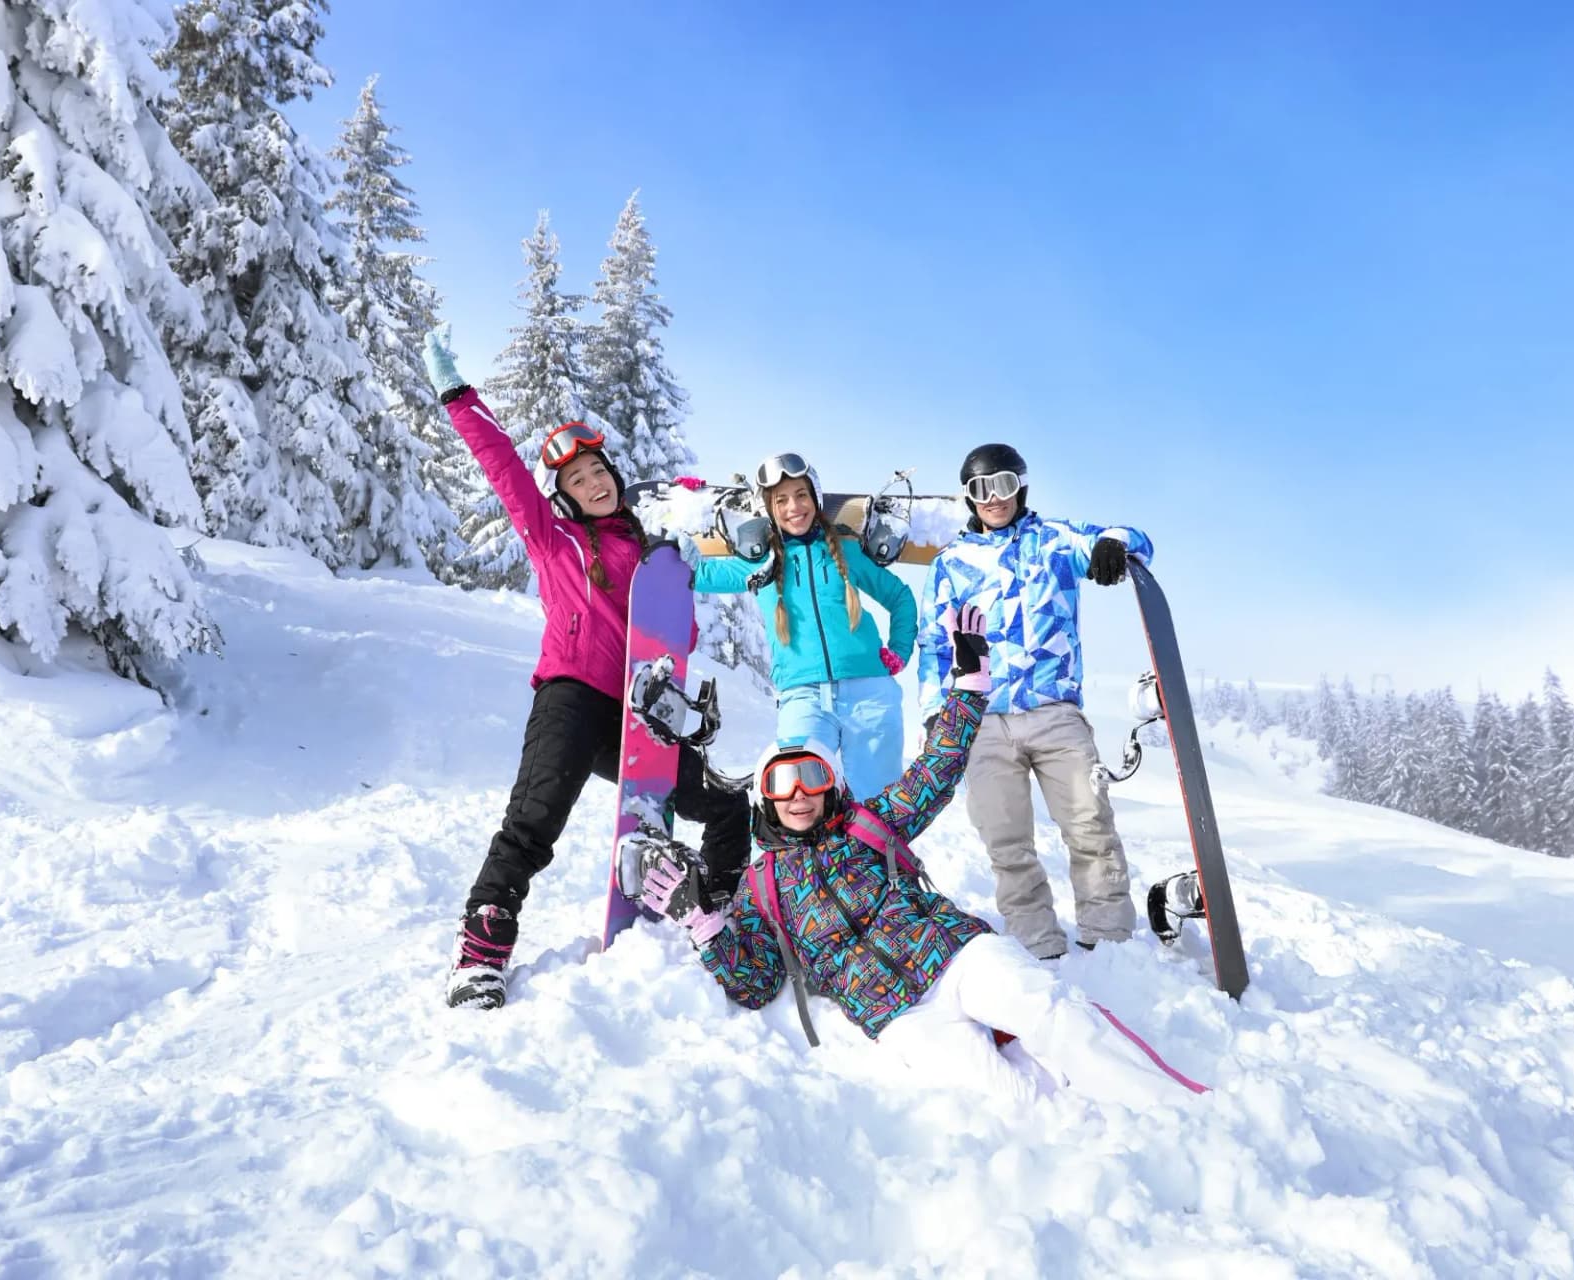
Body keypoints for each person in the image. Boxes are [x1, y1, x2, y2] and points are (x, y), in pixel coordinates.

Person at [635, 605, 1204, 1106]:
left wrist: (968, 692)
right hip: (900, 1017)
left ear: (830, 783)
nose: (799, 794)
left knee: (1051, 1014)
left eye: (811, 777)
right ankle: (1101, 1140)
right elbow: (754, 983)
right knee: (1010, 1100)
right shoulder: (761, 888)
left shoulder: (866, 825)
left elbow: (935, 771)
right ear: (766, 800)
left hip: (955, 956)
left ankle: (1171, 1106)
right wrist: (707, 929)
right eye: (782, 785)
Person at [423, 326, 751, 1010]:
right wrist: (457, 394)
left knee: (724, 804)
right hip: (572, 698)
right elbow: (504, 467)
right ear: (564, 496)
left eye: (599, 471)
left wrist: (705, 553)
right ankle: (481, 951)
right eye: (577, 479)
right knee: (536, 817)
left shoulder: (657, 554)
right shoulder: (554, 540)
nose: (594, 482)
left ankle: (719, 907)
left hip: (639, 714)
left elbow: (693, 613)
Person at [918, 444, 1154, 961]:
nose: (993, 498)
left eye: (1003, 484)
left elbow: (1136, 540)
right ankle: (1037, 944)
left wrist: (1114, 544)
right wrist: (937, 712)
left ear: (1020, 485)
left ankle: (1110, 940)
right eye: (981, 489)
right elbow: (934, 644)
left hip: (1054, 711)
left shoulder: (1055, 542)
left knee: (1089, 825)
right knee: (1006, 843)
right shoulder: (951, 564)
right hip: (982, 720)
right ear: (968, 497)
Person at [688, 453, 918, 796]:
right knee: (800, 796)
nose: (793, 506)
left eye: (801, 495)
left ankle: (882, 852)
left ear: (816, 498)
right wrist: (683, 517)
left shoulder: (845, 551)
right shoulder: (760, 562)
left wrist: (899, 650)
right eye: (781, 500)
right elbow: (699, 573)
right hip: (803, 696)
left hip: (869, 692)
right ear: (769, 508)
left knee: (880, 804)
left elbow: (900, 597)